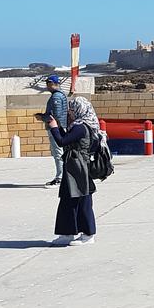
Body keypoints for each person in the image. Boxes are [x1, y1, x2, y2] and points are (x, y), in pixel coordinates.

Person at [47, 96, 100, 245]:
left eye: (71, 108)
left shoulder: (81, 126)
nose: (69, 111)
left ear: (79, 109)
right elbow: (68, 140)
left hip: (78, 168)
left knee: (83, 200)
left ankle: (88, 234)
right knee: (68, 199)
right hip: (73, 166)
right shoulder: (79, 125)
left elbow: (62, 142)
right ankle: (67, 233)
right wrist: (59, 128)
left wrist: (54, 128)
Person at [39, 75, 68, 187]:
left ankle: (60, 177)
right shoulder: (62, 95)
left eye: (49, 83)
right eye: (47, 83)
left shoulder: (56, 97)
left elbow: (56, 115)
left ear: (56, 84)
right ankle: (63, 176)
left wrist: (43, 117)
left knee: (58, 153)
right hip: (61, 127)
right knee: (60, 152)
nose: (47, 85)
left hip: (56, 128)